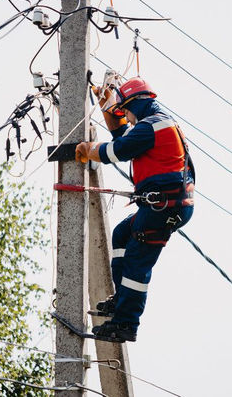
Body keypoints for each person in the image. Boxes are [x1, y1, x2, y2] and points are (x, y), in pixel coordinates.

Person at [75, 74, 195, 342]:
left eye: (126, 110)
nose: (126, 116)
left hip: (163, 206)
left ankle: (126, 323)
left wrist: (88, 149)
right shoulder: (154, 123)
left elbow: (117, 149)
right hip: (165, 205)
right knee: (121, 234)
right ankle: (122, 301)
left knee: (137, 262)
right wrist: (109, 108)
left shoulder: (153, 126)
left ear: (137, 103)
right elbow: (124, 135)